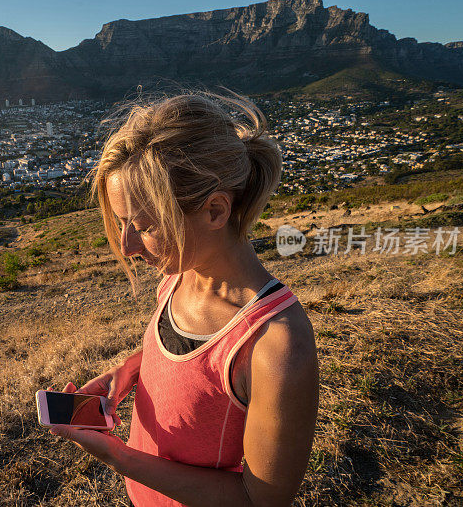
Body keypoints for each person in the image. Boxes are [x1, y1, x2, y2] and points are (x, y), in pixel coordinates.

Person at [47, 91, 319, 507]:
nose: (127, 245)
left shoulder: (277, 345)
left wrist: (120, 457)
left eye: (145, 225)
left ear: (214, 211)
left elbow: (259, 500)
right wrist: (127, 373)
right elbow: (183, 359)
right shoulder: (177, 277)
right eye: (122, 223)